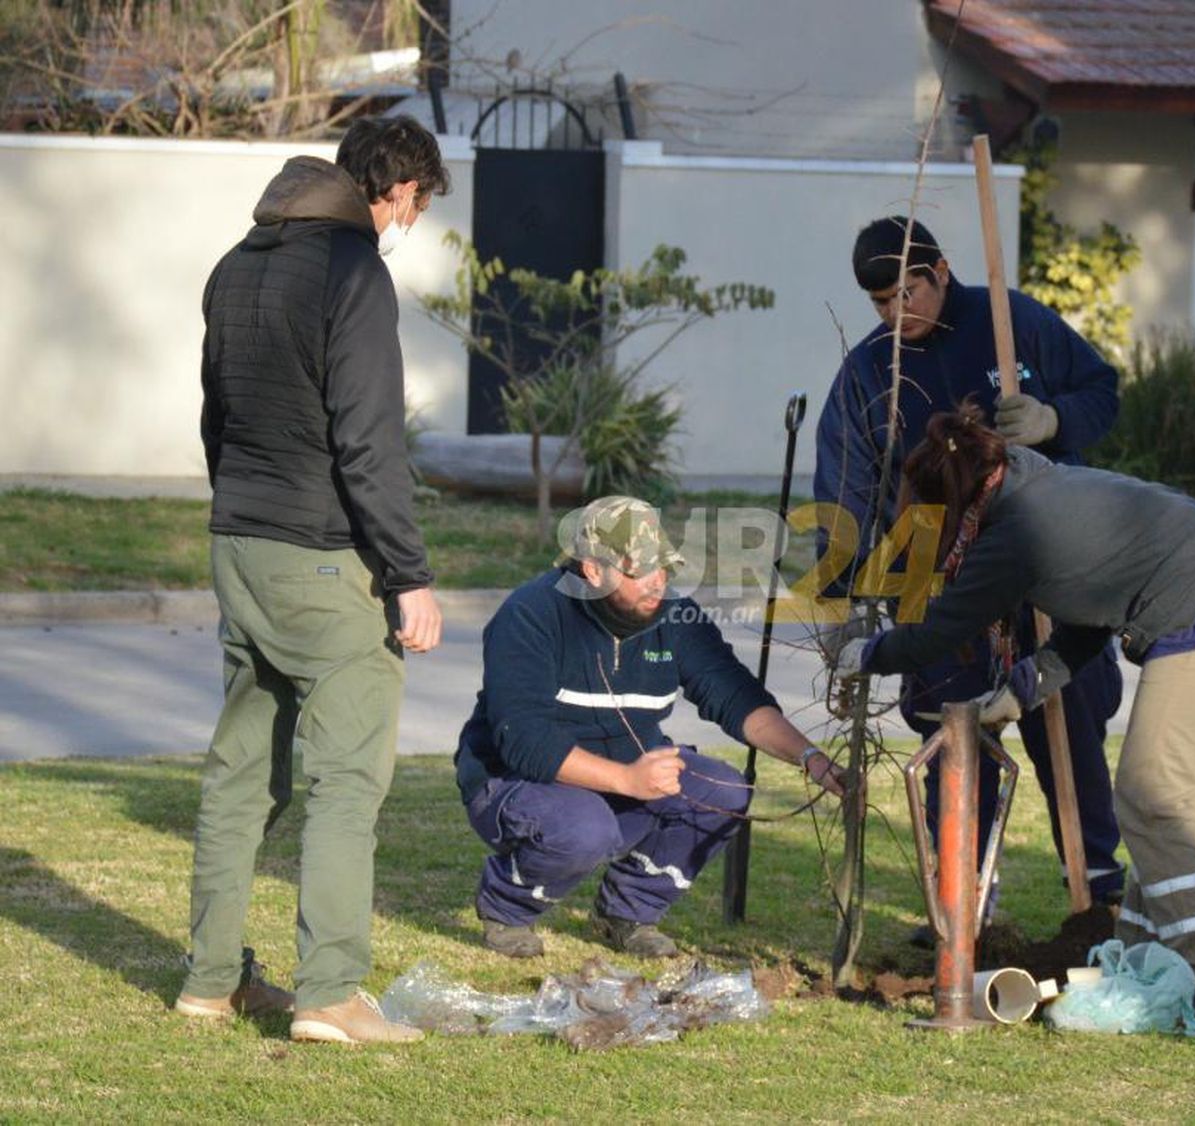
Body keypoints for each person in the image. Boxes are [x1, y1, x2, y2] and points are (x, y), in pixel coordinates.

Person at [836, 401, 1195, 1019]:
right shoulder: (1037, 486)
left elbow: (937, 634)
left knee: (1151, 800)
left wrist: (866, 652)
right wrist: (1024, 687)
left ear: (951, 503)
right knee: (1160, 807)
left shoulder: (1014, 534)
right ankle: (1140, 960)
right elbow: (1092, 615)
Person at [176, 115, 449, 1045]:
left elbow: (215, 411)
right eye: (415, 202)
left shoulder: (235, 264)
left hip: (239, 543)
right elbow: (369, 442)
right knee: (345, 780)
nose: (409, 220)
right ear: (399, 189)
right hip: (326, 560)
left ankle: (210, 983)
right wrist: (408, 575)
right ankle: (330, 993)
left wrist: (239, 515)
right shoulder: (353, 272)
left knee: (241, 774)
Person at [813, 216, 1126, 912]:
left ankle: (1100, 892)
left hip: (1044, 561)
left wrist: (1053, 419)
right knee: (952, 737)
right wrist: (845, 600)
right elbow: (844, 489)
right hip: (939, 579)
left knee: (1067, 725)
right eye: (881, 304)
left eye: (908, 293)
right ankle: (962, 904)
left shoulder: (1012, 322)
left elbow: (1103, 393)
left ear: (941, 271)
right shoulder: (870, 370)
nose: (897, 314)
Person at [454, 496, 847, 959]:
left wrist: (813, 760)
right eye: (639, 570)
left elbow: (737, 699)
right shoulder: (530, 615)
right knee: (586, 827)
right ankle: (507, 908)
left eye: (663, 566)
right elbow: (524, 741)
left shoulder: (675, 619)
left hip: (625, 773)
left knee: (723, 792)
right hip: (518, 782)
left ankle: (627, 912)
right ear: (592, 571)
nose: (657, 581)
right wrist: (626, 780)